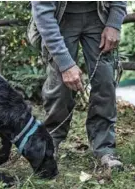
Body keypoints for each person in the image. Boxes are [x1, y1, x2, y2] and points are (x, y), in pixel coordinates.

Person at [30, 1, 127, 168]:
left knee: (105, 81)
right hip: (60, 17)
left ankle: (105, 148)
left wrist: (114, 23)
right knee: (60, 84)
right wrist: (66, 65)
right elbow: (42, 11)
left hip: (98, 14)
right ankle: (51, 142)